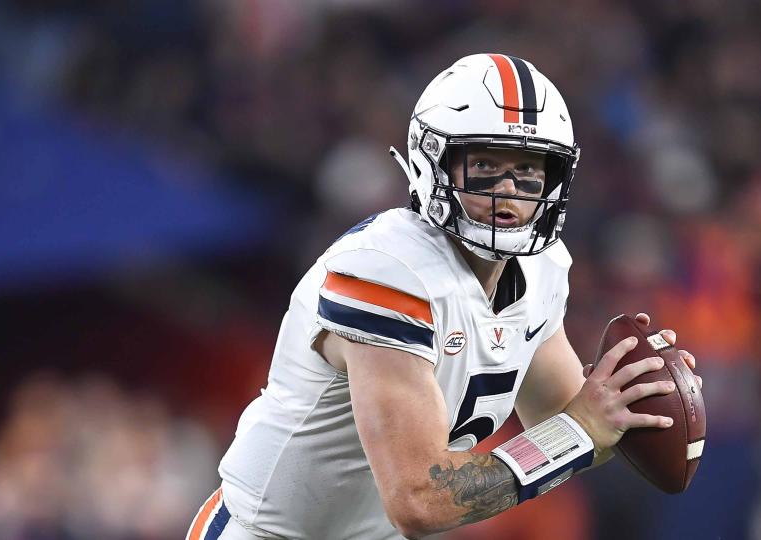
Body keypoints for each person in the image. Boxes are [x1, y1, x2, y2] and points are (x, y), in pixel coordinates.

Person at [186, 53, 701, 540]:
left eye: (528, 171)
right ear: (434, 163)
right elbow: (420, 500)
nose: (509, 192)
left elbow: (566, 420)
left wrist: (633, 399)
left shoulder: (541, 271)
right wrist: (579, 430)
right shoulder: (386, 273)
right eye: (484, 167)